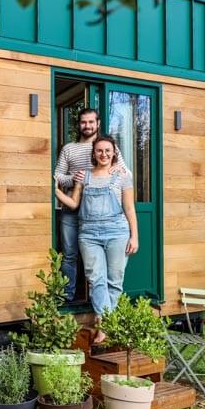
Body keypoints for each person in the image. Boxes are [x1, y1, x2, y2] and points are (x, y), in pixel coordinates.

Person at [54, 135, 138, 344]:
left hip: (117, 232)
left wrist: (134, 236)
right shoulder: (84, 176)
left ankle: (105, 324)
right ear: (93, 153)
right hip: (89, 234)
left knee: (115, 280)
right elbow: (73, 204)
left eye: (107, 151)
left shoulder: (122, 176)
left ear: (114, 152)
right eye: (99, 151)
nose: (103, 154)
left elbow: (129, 208)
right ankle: (106, 324)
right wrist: (54, 189)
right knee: (95, 278)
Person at [53, 108, 126, 302]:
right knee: (69, 255)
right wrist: (73, 178)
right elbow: (58, 175)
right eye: (84, 122)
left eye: (91, 122)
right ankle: (68, 295)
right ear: (79, 125)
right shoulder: (69, 148)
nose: (87, 126)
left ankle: (96, 301)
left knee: (98, 264)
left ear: (98, 123)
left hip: (101, 212)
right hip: (72, 207)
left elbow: (124, 172)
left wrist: (118, 169)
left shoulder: (107, 146)